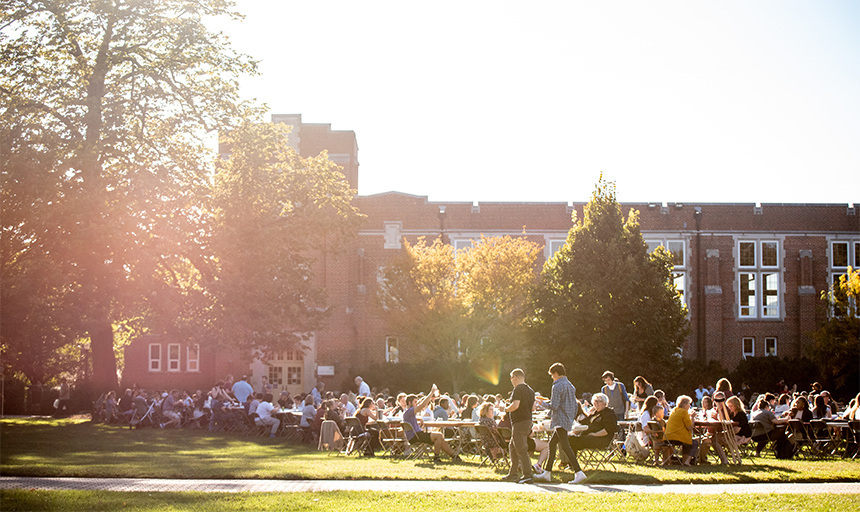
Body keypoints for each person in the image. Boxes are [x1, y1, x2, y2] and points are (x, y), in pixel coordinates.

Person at [565, 392, 617, 484]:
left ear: (605, 403)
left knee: (572, 441)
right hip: (589, 438)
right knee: (569, 439)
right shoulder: (595, 413)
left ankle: (572, 465)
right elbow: (583, 423)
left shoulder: (609, 414)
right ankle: (571, 464)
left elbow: (607, 430)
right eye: (595, 402)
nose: (596, 404)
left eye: (599, 401)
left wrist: (594, 434)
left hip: (601, 439)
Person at [540, 362, 578, 483]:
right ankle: (547, 472)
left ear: (556, 373)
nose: (552, 377)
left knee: (565, 447)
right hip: (567, 418)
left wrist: (541, 404)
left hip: (560, 419)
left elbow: (554, 406)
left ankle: (578, 471)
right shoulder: (570, 386)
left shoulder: (557, 386)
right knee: (552, 445)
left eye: (552, 374)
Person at [402, 384, 461, 463]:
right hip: (416, 436)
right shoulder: (410, 411)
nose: (416, 404)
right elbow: (422, 405)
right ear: (409, 402)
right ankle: (437, 458)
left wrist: (419, 419)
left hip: (416, 435)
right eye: (415, 402)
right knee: (439, 435)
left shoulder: (407, 412)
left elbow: (411, 417)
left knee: (440, 438)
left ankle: (454, 456)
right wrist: (431, 392)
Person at [502, 368, 535, 484]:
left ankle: (527, 475)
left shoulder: (517, 389)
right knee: (512, 447)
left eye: (511, 378)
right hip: (527, 421)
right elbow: (533, 408)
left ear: (515, 377)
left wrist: (505, 409)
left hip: (519, 422)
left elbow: (515, 405)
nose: (511, 380)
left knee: (521, 449)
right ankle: (513, 473)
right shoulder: (530, 390)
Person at [665, 395, 698, 466]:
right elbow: (690, 427)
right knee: (694, 443)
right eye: (689, 404)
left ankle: (684, 461)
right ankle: (687, 461)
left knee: (688, 441)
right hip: (677, 437)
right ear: (685, 405)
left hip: (668, 437)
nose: (690, 406)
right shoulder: (684, 412)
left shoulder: (674, 410)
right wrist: (692, 417)